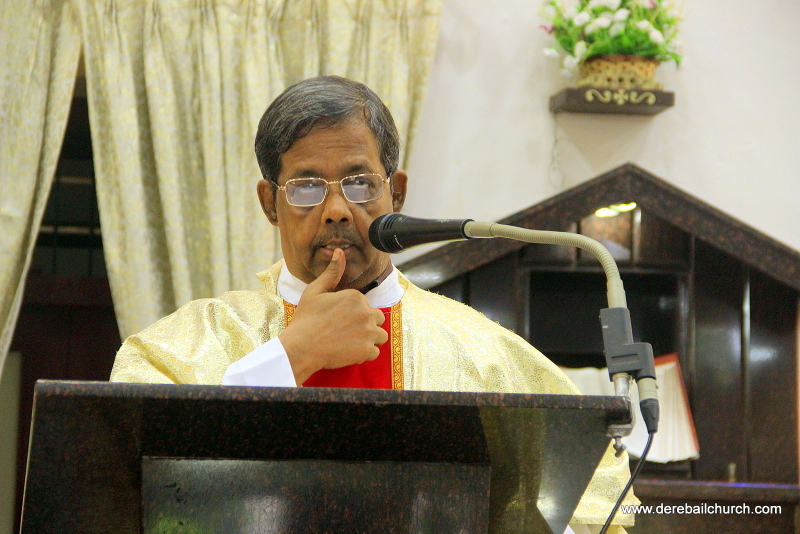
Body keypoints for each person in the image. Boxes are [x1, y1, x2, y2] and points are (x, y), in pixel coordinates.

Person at [110, 75, 635, 533]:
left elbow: (592, 510)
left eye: (360, 183)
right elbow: (137, 487)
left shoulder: (487, 356)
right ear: (270, 202)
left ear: (396, 193)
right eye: (306, 186)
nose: (337, 210)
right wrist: (290, 357)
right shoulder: (194, 341)